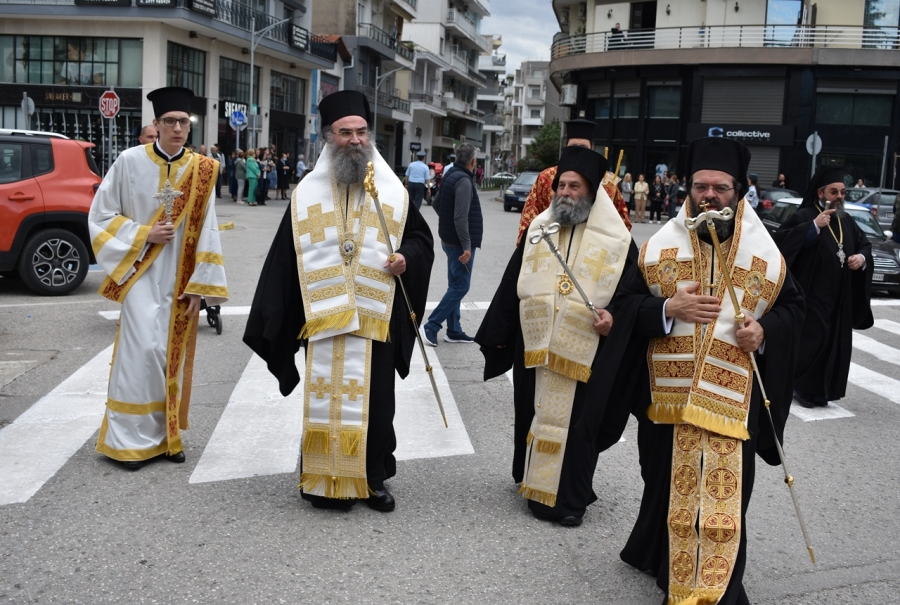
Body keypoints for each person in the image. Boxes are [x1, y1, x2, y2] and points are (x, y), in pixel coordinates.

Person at [612, 137, 805, 604]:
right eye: (701, 186)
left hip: (732, 399)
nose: (709, 196)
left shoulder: (765, 252)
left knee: (724, 501)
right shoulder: (659, 246)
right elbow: (624, 306)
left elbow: (796, 310)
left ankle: (718, 589)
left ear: (739, 191)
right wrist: (666, 308)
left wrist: (764, 332)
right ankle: (671, 570)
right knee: (667, 491)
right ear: (688, 188)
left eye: (720, 188)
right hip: (668, 401)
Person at [243, 89, 434, 512]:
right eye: (345, 133)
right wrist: (278, 316)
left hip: (374, 317)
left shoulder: (392, 191)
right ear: (329, 137)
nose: (355, 140)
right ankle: (322, 480)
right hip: (324, 318)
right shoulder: (307, 194)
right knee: (324, 402)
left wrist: (407, 257)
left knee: (377, 407)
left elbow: (421, 240)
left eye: (361, 132)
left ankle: (373, 480)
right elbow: (285, 259)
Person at [475, 145, 637, 526]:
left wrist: (613, 317)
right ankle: (532, 482)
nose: (565, 192)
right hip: (535, 346)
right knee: (532, 412)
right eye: (561, 185)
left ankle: (570, 499)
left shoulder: (618, 240)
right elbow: (514, 280)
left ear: (591, 192)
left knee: (578, 425)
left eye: (574, 186)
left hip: (585, 350)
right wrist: (498, 331)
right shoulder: (540, 228)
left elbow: (632, 295)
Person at [89, 86, 228, 470]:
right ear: (156, 123)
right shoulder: (129, 161)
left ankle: (168, 437)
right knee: (139, 355)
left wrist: (201, 287)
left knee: (169, 357)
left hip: (180, 280)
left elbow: (208, 229)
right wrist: (142, 234)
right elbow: (100, 215)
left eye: (184, 122)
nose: (178, 128)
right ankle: (128, 442)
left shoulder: (203, 170)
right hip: (138, 273)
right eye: (170, 122)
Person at [773, 167, 874, 408]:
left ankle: (824, 391)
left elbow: (865, 244)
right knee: (812, 341)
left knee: (833, 342)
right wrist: (813, 227)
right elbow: (782, 245)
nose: (839, 197)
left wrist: (861, 258)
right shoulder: (805, 216)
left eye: (842, 192)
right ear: (820, 193)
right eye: (834, 191)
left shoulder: (846, 220)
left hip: (840, 295)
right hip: (811, 294)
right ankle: (803, 388)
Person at [516, 119, 631, 245]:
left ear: (592, 148)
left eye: (583, 148)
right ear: (566, 147)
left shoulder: (607, 182)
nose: (578, 152)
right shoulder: (545, 177)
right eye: (573, 147)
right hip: (551, 245)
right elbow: (529, 219)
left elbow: (622, 223)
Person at [421, 143, 481, 346]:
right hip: (459, 243)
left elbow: (437, 203)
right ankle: (432, 325)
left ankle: (454, 330)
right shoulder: (464, 180)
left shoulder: (450, 175)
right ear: (473, 161)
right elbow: (460, 218)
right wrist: (467, 246)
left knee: (454, 284)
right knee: (461, 286)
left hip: (449, 240)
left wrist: (447, 222)